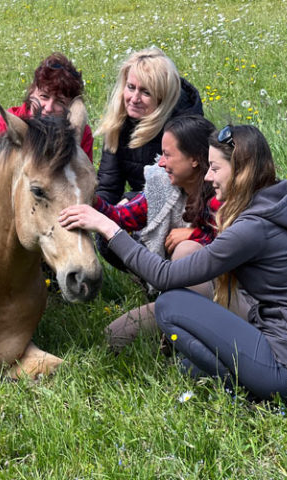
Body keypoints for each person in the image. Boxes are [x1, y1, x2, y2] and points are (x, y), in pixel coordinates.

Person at [59, 124, 287, 403]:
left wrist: (107, 228)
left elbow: (163, 275)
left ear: (242, 171)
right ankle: (239, 375)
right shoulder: (285, 201)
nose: (209, 177)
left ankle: (247, 390)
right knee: (190, 364)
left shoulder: (253, 228)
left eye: (216, 168)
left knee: (170, 305)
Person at [92, 115, 221, 351]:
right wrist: (91, 202)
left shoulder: (221, 193)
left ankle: (191, 341)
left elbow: (232, 245)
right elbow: (123, 216)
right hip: (175, 292)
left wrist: (196, 236)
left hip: (223, 299)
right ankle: (174, 329)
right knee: (113, 337)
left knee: (186, 250)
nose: (161, 163)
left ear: (194, 160)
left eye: (168, 155)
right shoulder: (163, 186)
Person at [0, 52, 94, 188]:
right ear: (31, 92)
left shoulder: (79, 132)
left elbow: (81, 176)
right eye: (44, 97)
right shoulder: (12, 121)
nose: (48, 108)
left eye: (60, 102)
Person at [94, 47, 203, 205]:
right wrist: (97, 214)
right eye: (131, 87)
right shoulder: (119, 123)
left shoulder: (185, 131)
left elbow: (174, 192)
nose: (134, 98)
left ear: (162, 97)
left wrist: (129, 201)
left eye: (146, 92)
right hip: (139, 207)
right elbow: (108, 187)